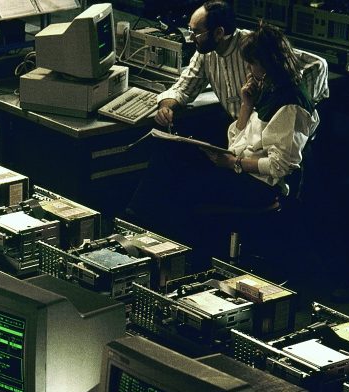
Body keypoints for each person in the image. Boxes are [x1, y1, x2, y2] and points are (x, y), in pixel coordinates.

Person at [126, 21, 320, 264]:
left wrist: (234, 163)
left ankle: (169, 254)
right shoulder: (269, 90)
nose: (248, 70)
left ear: (267, 64)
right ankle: (138, 230)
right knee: (169, 155)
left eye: (251, 64)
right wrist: (246, 105)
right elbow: (238, 142)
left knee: (180, 186)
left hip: (258, 186)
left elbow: (280, 166)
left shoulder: (291, 103)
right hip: (241, 170)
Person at [154, 0, 328, 132]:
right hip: (242, 132)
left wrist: (298, 111)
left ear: (219, 33)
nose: (190, 38)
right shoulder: (205, 52)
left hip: (270, 137)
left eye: (196, 32)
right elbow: (183, 89)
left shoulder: (253, 44)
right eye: (190, 30)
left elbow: (318, 65)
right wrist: (165, 107)